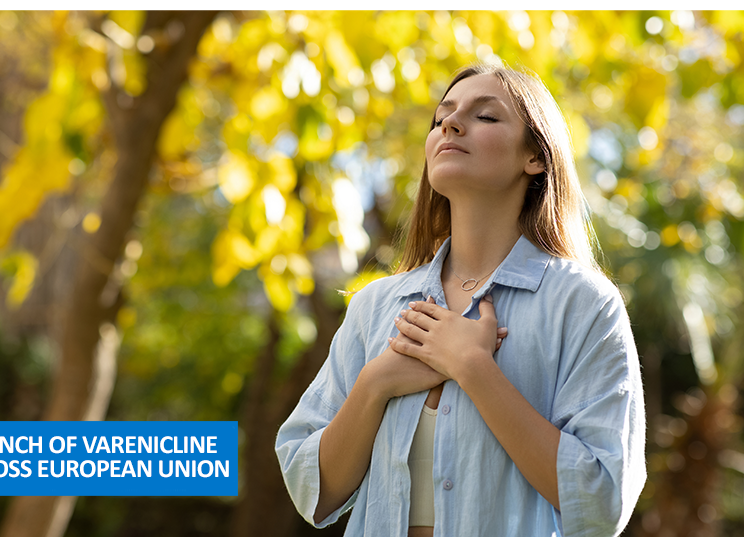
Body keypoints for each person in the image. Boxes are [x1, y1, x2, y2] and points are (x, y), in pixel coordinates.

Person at [275, 62, 646, 536]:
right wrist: (376, 383)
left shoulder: (584, 303)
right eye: (441, 117)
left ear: (534, 156)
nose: (449, 123)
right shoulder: (375, 307)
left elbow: (601, 500)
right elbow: (313, 490)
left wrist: (474, 369)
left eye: (486, 116)